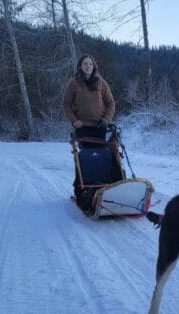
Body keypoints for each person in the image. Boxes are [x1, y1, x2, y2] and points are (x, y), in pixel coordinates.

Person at [63, 54, 116, 210]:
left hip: (100, 127)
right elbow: (66, 104)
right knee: (85, 159)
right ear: (80, 66)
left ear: (94, 66)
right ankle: (81, 190)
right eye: (85, 64)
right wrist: (74, 121)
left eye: (90, 64)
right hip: (82, 127)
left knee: (102, 157)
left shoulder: (100, 82)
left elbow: (110, 102)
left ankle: (103, 187)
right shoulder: (73, 83)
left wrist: (107, 119)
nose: (88, 66)